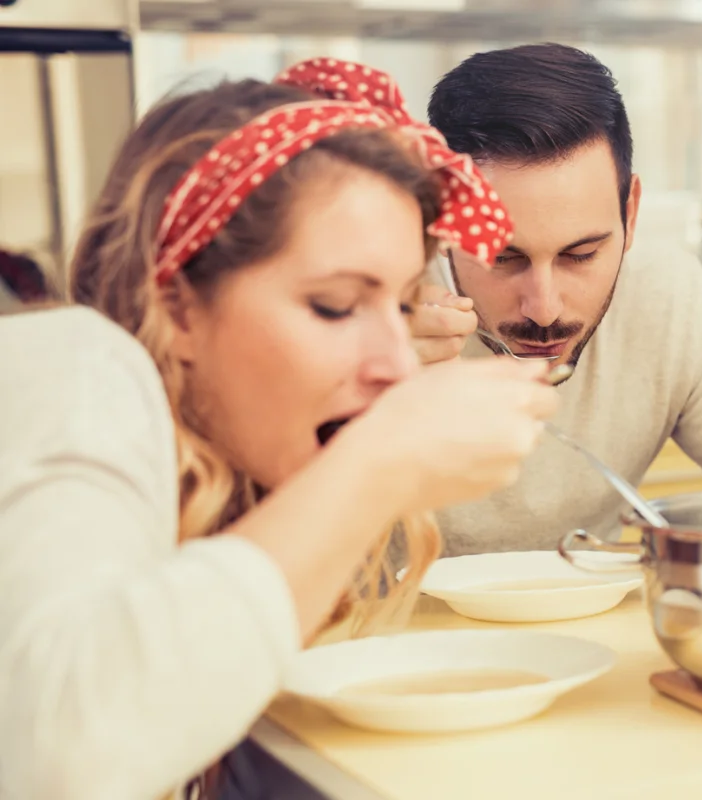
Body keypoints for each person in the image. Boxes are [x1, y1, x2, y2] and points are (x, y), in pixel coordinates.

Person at [0, 58, 558, 799]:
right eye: (334, 306)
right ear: (177, 308)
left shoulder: (219, 472)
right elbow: (63, 755)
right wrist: (376, 466)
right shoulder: (76, 365)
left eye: (400, 306)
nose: (397, 364)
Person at [409, 43, 702, 555]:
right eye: (503, 259)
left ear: (632, 212)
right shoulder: (370, 304)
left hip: (595, 624)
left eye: (581, 255)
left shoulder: (665, 297)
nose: (545, 308)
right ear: (441, 221)